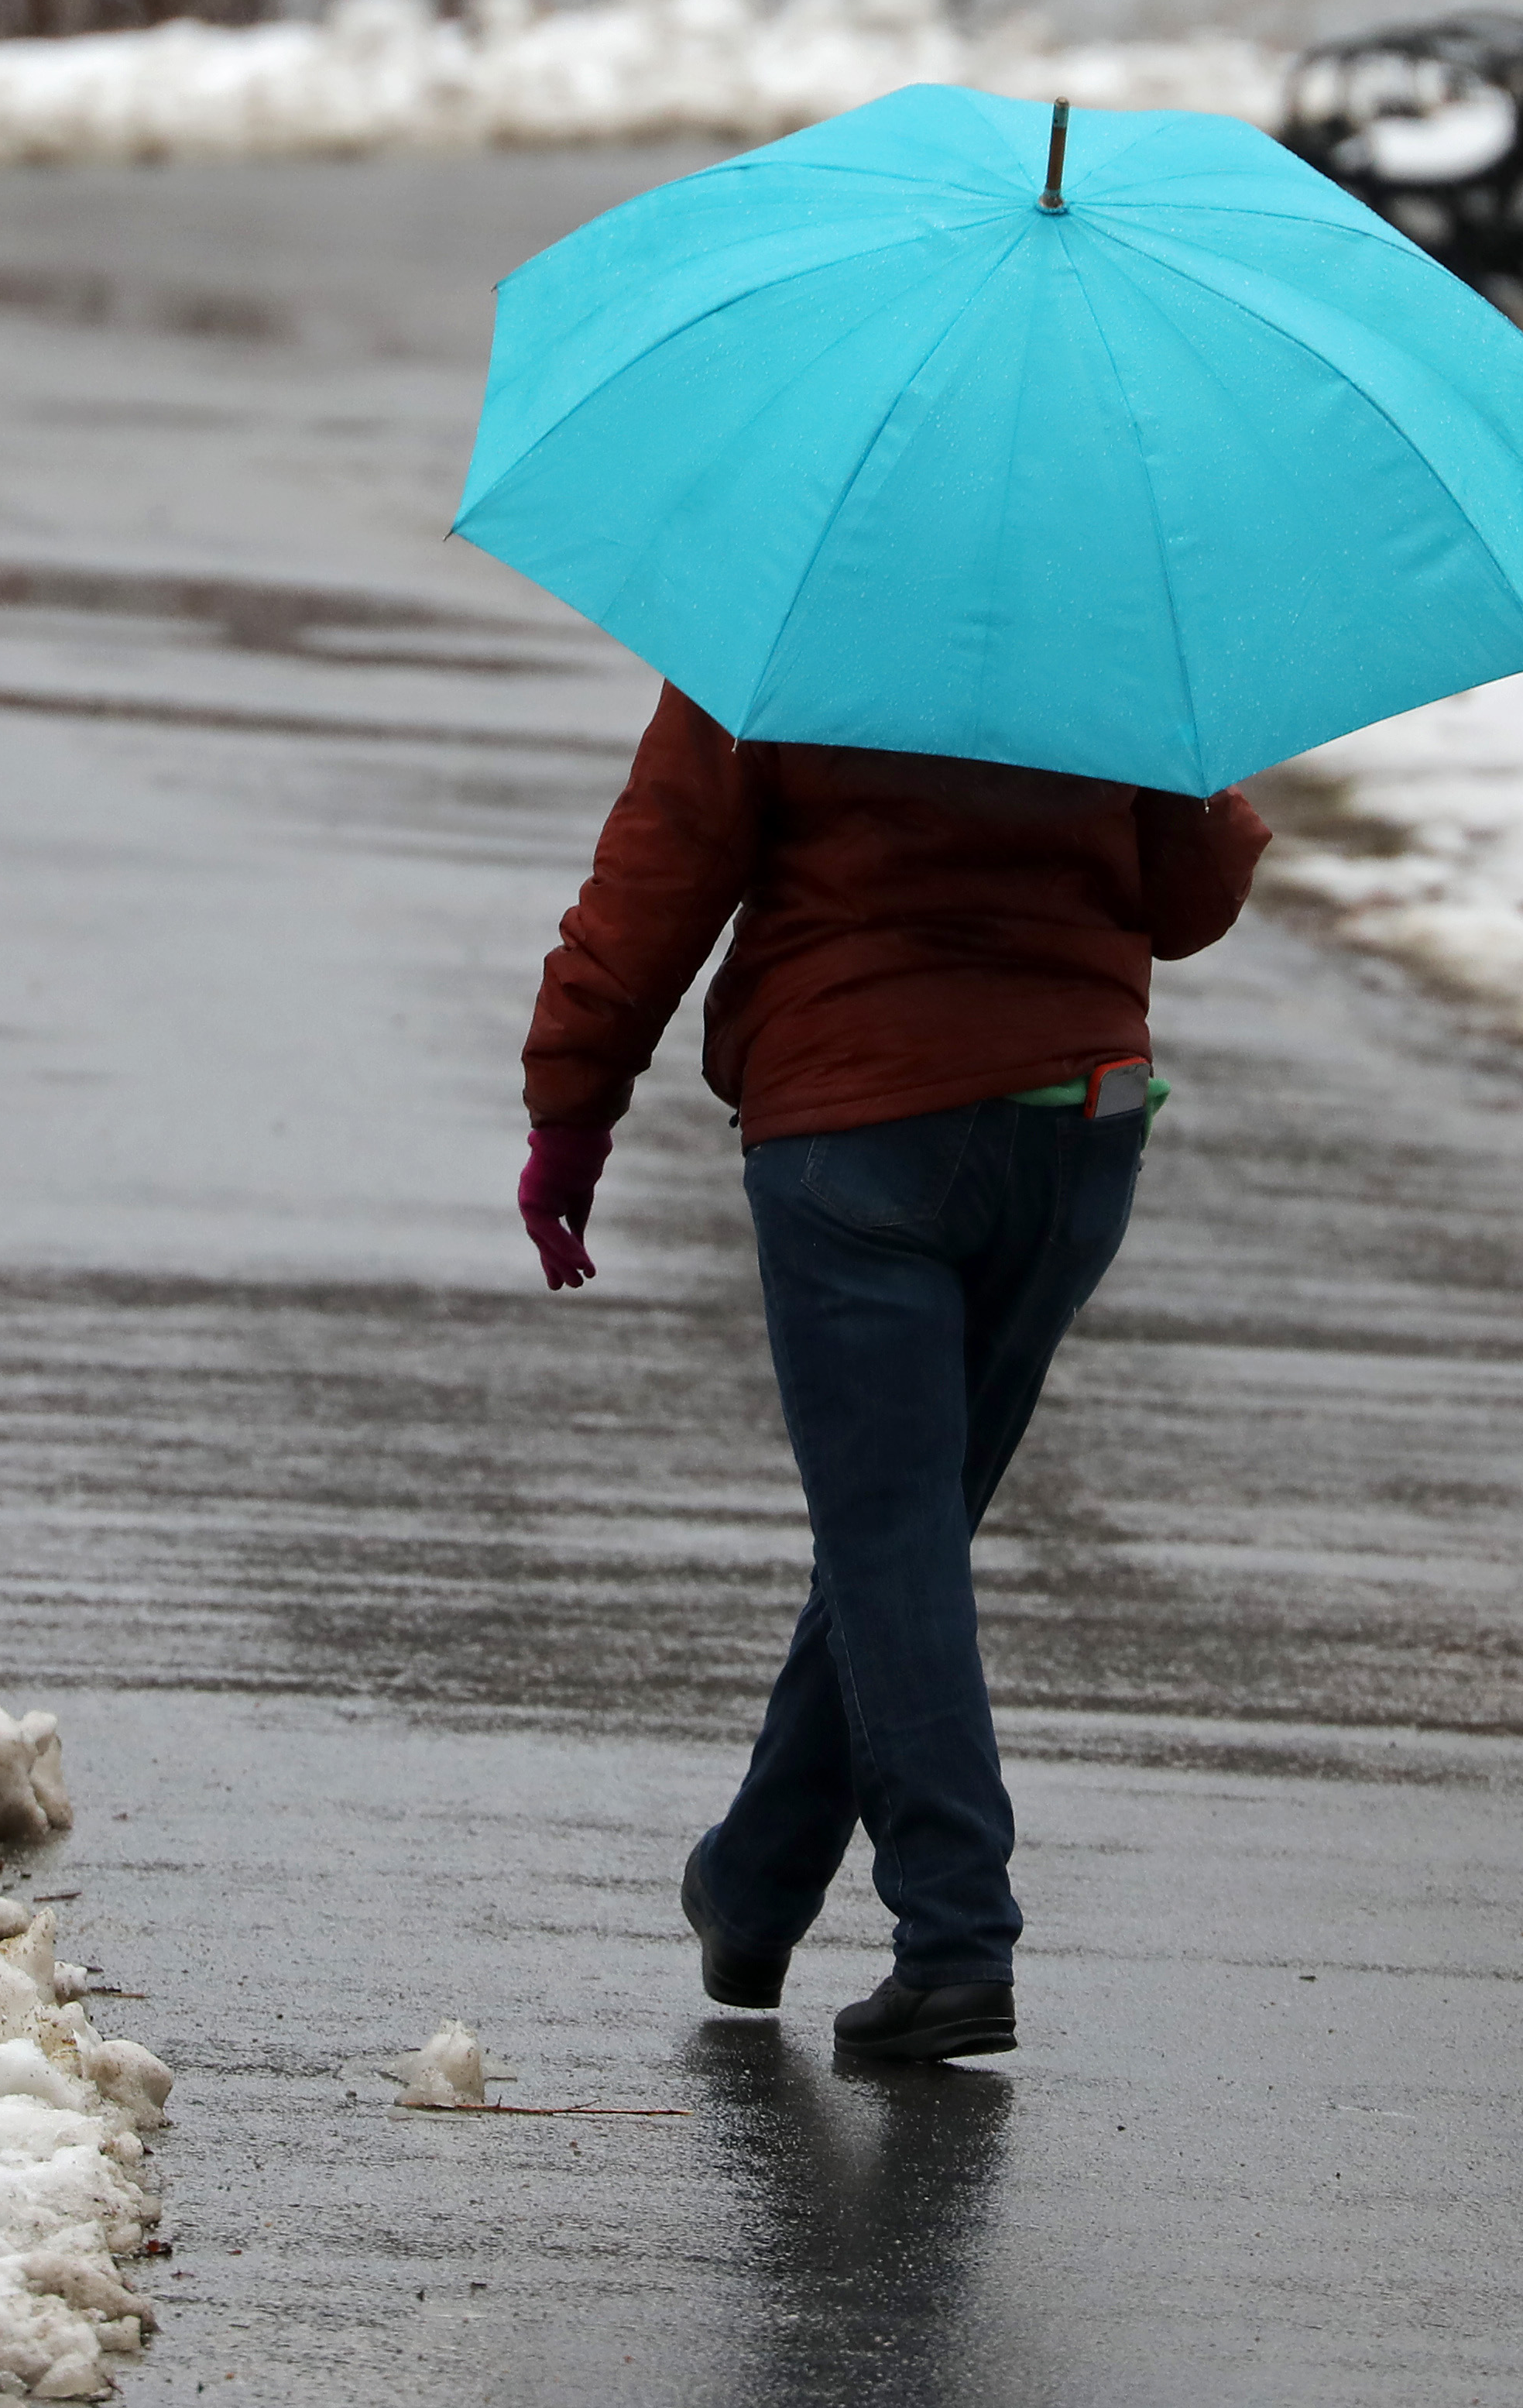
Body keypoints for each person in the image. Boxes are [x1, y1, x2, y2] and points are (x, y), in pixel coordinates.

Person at [516, 682, 1269, 2066]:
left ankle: (957, 1936)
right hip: (1070, 1131)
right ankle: (753, 1882)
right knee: (902, 1535)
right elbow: (1190, 895)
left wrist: (573, 1112)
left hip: (857, 1129)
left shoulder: (787, 631)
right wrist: (1191, 766)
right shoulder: (1103, 624)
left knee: (892, 1535)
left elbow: (658, 873)